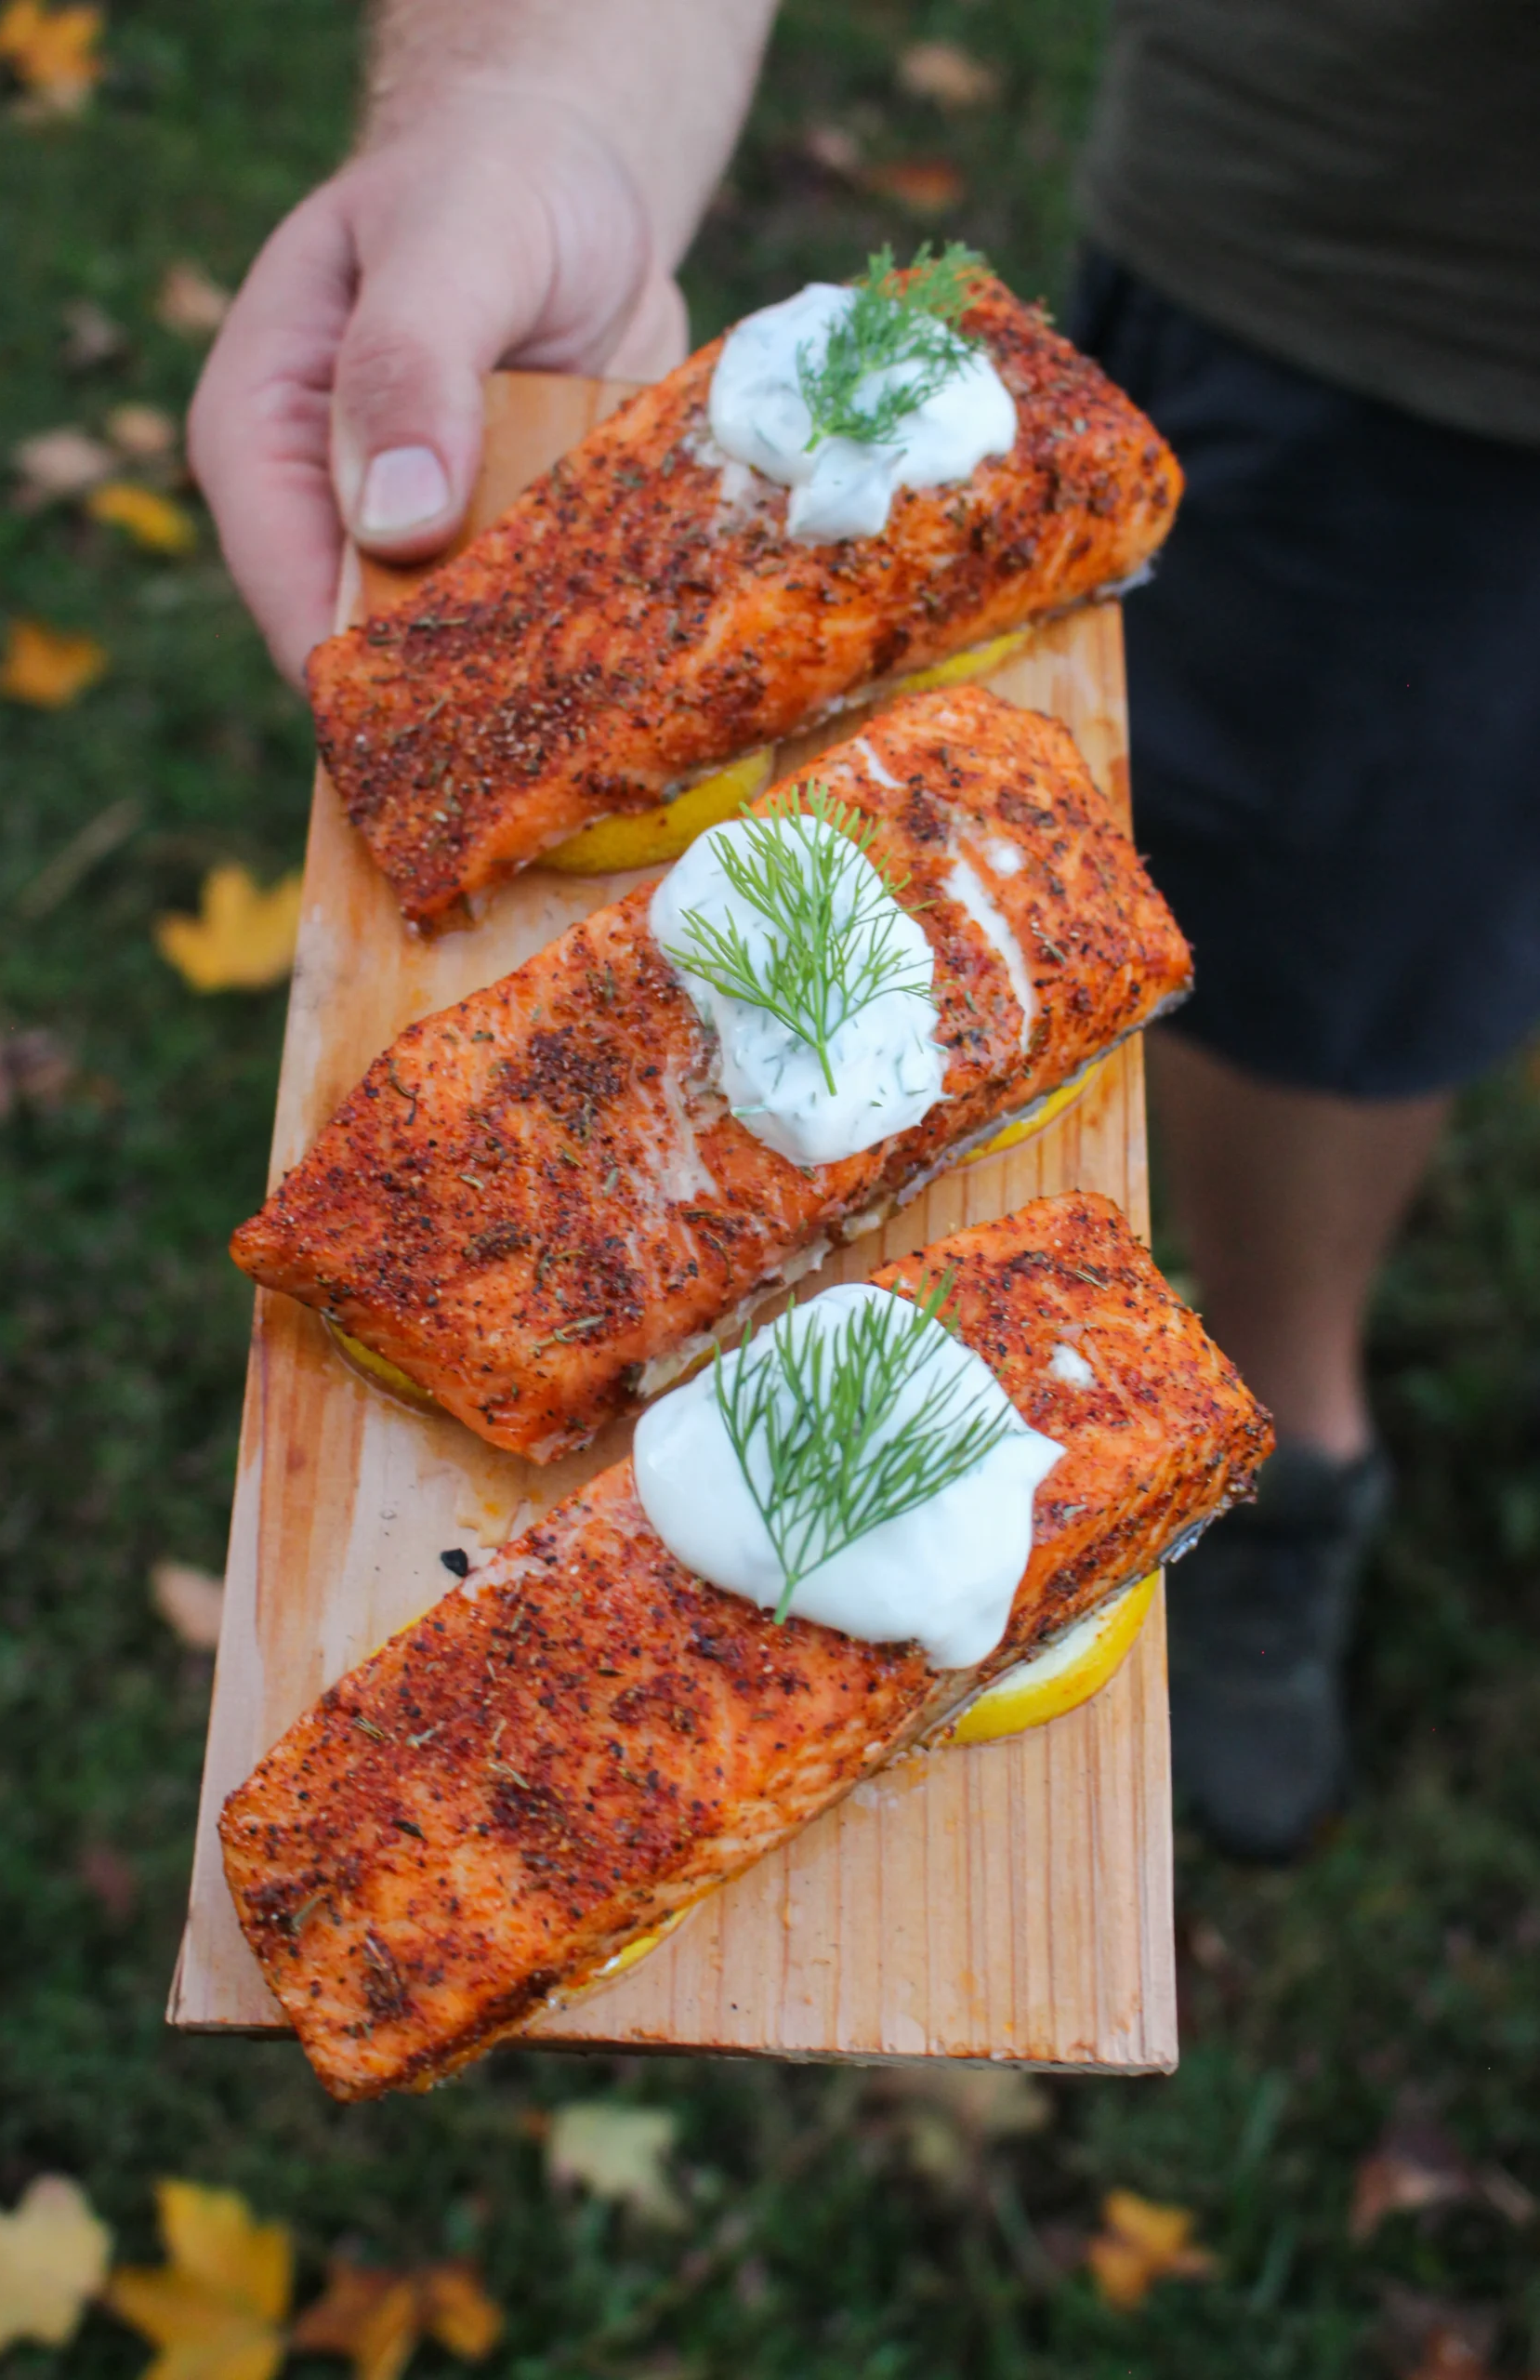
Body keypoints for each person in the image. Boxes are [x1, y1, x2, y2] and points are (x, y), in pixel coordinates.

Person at [190, 0, 1540, 1860]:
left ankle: (1293, 1438)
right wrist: (537, 101)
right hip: (1323, 210)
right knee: (1282, 847)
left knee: (1370, 930)